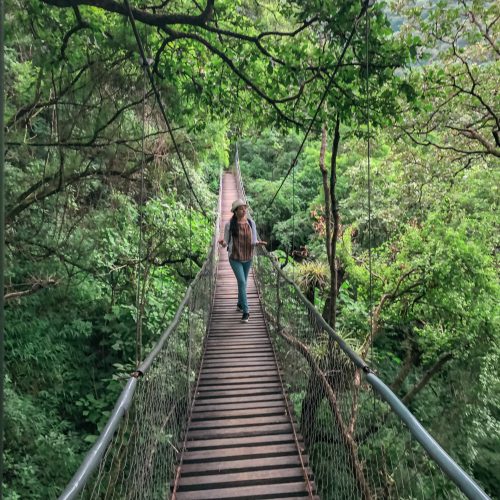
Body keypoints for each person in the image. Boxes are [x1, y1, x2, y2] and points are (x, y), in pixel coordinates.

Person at [218, 199, 266, 323]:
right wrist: (223, 243)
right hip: (234, 257)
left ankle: (239, 303)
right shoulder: (229, 225)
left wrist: (258, 243)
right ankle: (246, 311)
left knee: (242, 283)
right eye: (241, 208)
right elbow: (226, 242)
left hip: (248, 257)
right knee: (242, 281)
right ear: (235, 211)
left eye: (245, 208)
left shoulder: (251, 223)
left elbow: (254, 241)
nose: (244, 210)